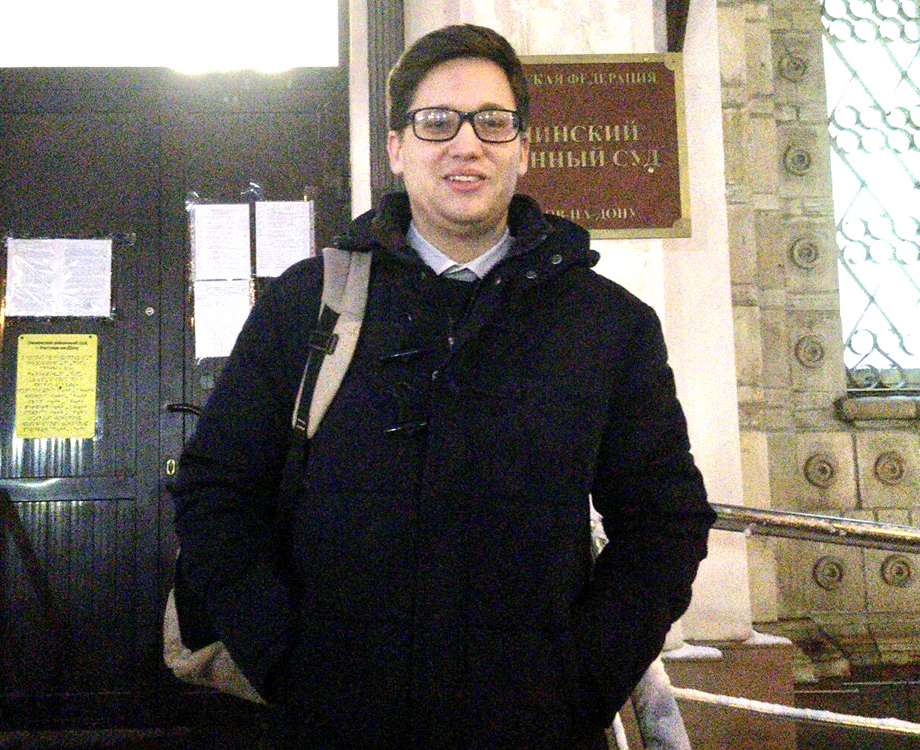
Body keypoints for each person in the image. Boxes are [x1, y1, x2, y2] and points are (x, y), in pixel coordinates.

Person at [171, 23, 715, 749]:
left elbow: (664, 519)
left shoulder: (610, 324)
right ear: (397, 148)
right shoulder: (305, 306)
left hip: (535, 729)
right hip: (337, 726)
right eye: (436, 121)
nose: (466, 144)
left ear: (523, 148)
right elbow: (215, 489)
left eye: (493, 121)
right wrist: (286, 660)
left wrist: (583, 681)